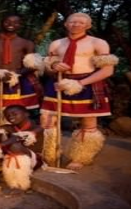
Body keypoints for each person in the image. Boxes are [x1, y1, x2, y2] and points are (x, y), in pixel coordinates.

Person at [41, 12, 117, 170]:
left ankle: (81, 157)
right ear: (66, 24)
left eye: (81, 22)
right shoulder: (56, 44)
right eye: (72, 22)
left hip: (87, 83)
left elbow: (107, 71)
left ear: (88, 26)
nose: (76, 25)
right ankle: (49, 155)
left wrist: (80, 83)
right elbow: (47, 69)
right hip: (59, 83)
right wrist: (54, 66)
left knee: (88, 122)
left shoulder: (99, 43)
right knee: (48, 119)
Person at [0, 14, 43, 124]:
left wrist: (16, 75)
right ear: (1, 23)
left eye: (15, 22)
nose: (11, 25)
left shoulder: (26, 43)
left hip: (20, 80)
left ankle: (18, 137)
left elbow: (32, 64)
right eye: (7, 22)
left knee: (19, 112)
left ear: (20, 25)